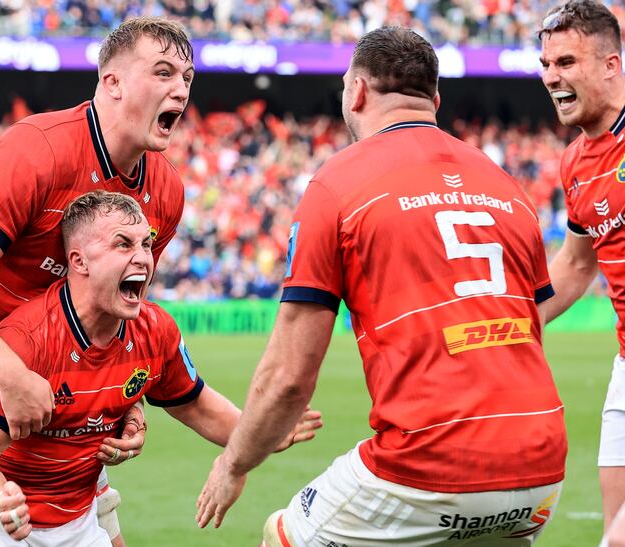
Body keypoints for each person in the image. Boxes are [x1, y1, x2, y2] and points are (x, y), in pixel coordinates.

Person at [196, 26, 567, 546]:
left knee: (281, 534)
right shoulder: (506, 184)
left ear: (357, 92)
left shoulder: (337, 183)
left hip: (430, 462)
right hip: (541, 465)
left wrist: (233, 464)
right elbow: (532, 329)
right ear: (435, 100)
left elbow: (288, 379)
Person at [0, 16, 196, 547]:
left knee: (101, 534)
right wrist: (10, 376)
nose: (180, 89)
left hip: (55, 385)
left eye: (187, 77)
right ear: (112, 82)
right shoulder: (39, 149)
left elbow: (117, 308)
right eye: (163, 72)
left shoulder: (166, 191)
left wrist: (129, 397)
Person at [0, 190, 322, 545]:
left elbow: (196, 405)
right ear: (78, 261)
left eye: (146, 244)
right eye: (123, 244)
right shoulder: (27, 338)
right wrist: (0, 499)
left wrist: (260, 432)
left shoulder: (156, 330)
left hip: (76, 519)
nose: (142, 257)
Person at [537, 0, 625, 532]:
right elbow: (574, 264)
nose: (552, 78)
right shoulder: (575, 161)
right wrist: (510, 319)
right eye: (547, 65)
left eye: (566, 62)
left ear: (611, 65)